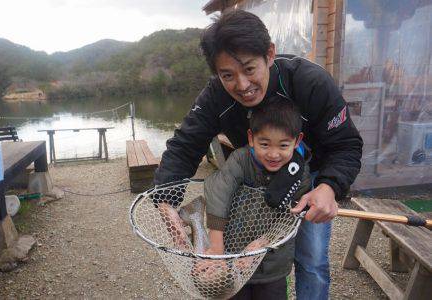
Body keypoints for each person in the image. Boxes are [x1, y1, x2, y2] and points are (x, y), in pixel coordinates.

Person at [154, 9, 363, 299]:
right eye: (228, 75)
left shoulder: (310, 82)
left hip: (309, 173)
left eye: (249, 69)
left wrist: (329, 187)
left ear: (270, 54)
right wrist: (166, 202)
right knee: (242, 248)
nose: (242, 85)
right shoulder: (215, 96)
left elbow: (347, 145)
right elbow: (184, 145)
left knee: (312, 259)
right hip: (252, 175)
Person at [204, 100, 311, 300]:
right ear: (251, 138)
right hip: (232, 256)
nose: (273, 154)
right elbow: (219, 190)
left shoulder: (301, 172)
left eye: (283, 145)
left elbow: (293, 216)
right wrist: (216, 246)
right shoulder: (240, 160)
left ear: (297, 141)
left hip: (273, 263)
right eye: (264, 144)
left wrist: (264, 241)